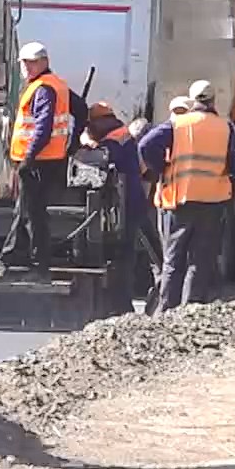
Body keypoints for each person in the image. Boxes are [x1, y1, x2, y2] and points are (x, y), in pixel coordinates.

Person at [0, 41, 86, 278]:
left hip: (38, 163)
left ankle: (9, 261)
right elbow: (82, 110)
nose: (26, 67)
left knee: (26, 211)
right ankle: (38, 264)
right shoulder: (56, 85)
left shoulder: (43, 89)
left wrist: (28, 158)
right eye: (24, 63)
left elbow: (43, 128)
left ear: (44, 63)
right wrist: (73, 142)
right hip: (48, 161)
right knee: (33, 212)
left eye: (31, 63)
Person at [139, 89, 235, 311]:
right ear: (213, 100)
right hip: (213, 200)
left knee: (173, 259)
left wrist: (162, 168)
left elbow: (145, 145)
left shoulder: (179, 125)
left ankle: (166, 311)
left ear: (194, 101)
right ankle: (190, 310)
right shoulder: (224, 127)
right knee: (199, 261)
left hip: (181, 200)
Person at [82, 100, 158, 315]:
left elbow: (103, 157)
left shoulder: (113, 140)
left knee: (124, 258)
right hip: (133, 203)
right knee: (145, 252)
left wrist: (87, 144)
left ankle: (123, 307)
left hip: (125, 207)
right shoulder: (122, 133)